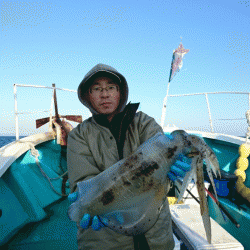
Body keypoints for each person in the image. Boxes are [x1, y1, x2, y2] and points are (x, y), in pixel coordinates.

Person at [67, 63, 191, 250]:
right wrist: (91, 205)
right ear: (88, 96)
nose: (105, 94)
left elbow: (161, 157)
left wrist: (174, 161)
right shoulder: (79, 135)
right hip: (107, 241)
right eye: (97, 89)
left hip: (156, 238)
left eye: (111, 87)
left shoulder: (143, 122)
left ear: (121, 92)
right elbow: (84, 180)